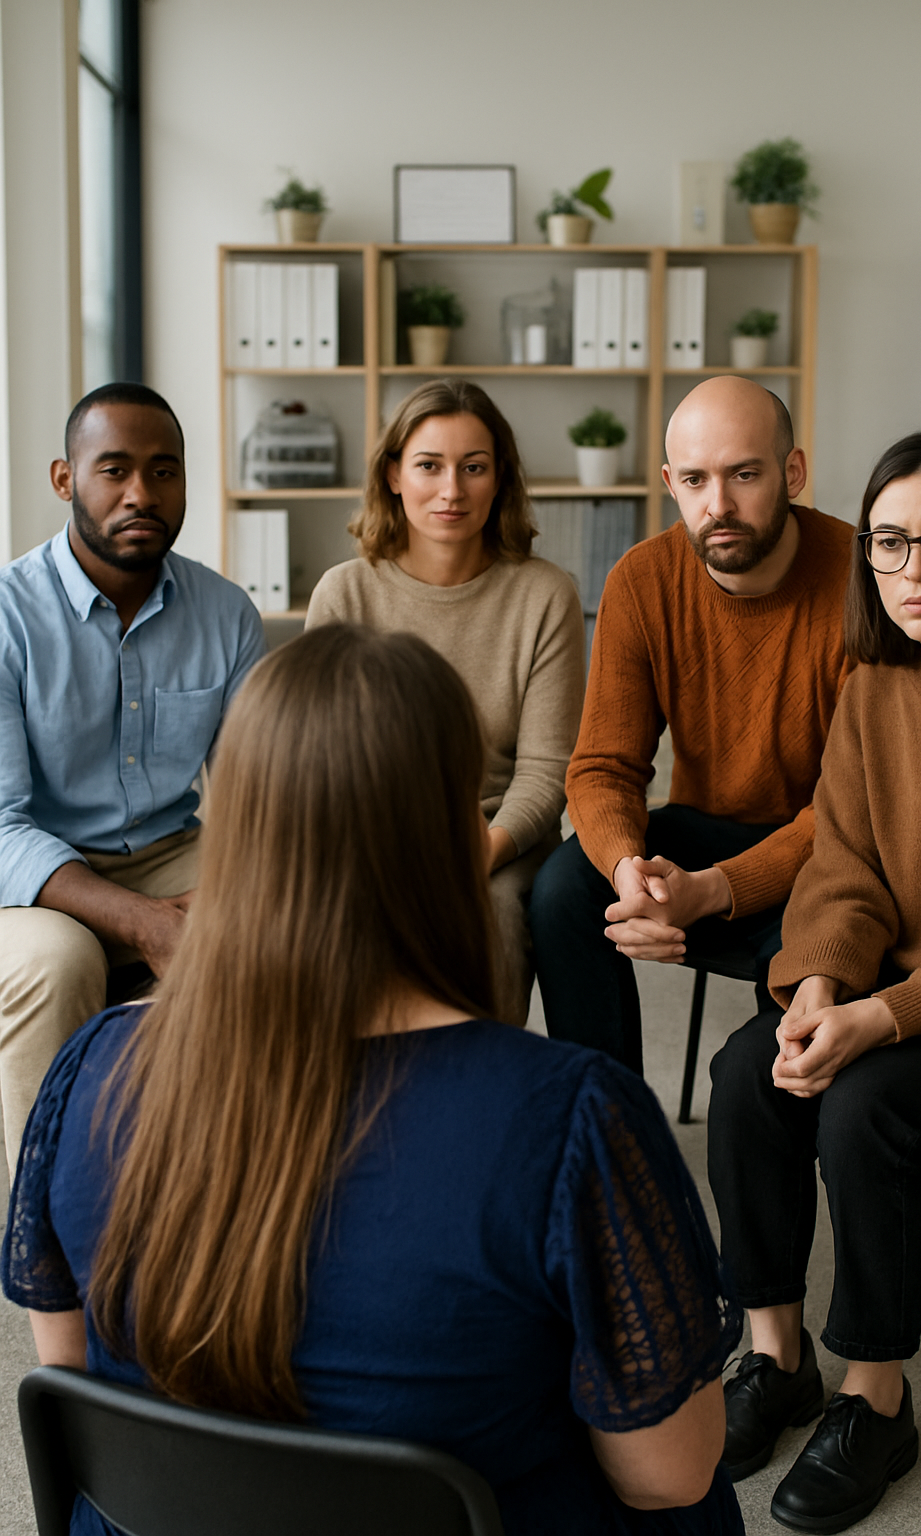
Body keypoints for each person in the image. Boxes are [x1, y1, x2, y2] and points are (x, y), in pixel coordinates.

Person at [3, 623, 745, 1536]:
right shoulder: (575, 1118)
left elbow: (74, 1383)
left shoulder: (90, 1071)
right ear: (449, 840)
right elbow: (667, 1474)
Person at [706, 427, 921, 1533]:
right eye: (889, 544)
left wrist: (882, 1018)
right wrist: (817, 990)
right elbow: (843, 870)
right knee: (749, 1067)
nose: (912, 571)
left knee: (867, 1105)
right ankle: (772, 1353)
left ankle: (874, 1398)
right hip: (899, 998)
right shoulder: (876, 694)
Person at [531, 376, 853, 1072]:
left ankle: (767, 1123)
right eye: (698, 480)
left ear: (793, 472)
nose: (720, 505)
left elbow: (855, 809)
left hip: (829, 849)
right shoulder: (642, 580)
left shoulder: (863, 580)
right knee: (561, 892)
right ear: (671, 483)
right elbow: (602, 767)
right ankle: (614, 1140)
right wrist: (628, 874)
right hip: (701, 827)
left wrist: (709, 891)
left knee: (812, 952)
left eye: (744, 474)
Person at [0, 382, 265, 1180]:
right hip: (36, 872)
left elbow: (260, 803)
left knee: (284, 930)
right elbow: (4, 826)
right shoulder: (8, 615)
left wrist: (226, 895)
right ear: (64, 479)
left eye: (164, 471)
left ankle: (229, 1193)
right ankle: (53, 1221)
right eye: (113, 470)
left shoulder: (227, 614)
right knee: (56, 965)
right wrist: (147, 923)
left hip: (172, 849)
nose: (140, 494)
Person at [306, 379, 585, 1026]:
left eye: (474, 468)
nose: (452, 490)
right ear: (393, 475)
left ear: (501, 479)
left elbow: (546, 771)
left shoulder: (545, 595)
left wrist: (475, 854)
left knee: (487, 917)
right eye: (429, 465)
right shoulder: (343, 595)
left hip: (497, 842)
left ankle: (475, 1108)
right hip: (372, 840)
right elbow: (322, 764)